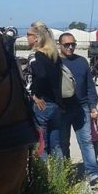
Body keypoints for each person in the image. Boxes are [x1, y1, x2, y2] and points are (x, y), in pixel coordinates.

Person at [58, 33, 98, 190]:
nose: (70, 47)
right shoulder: (55, 62)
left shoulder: (82, 62)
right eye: (67, 45)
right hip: (62, 109)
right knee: (62, 143)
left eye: (73, 44)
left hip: (82, 108)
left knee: (86, 142)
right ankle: (64, 174)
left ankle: (93, 175)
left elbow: (89, 87)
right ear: (59, 45)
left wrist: (93, 107)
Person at [25, 22, 65, 159]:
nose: (27, 37)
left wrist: (35, 94)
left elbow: (41, 75)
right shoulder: (54, 56)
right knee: (56, 145)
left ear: (36, 38)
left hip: (42, 106)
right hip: (56, 104)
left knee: (42, 145)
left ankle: (44, 177)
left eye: (28, 34)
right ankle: (58, 177)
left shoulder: (34, 56)